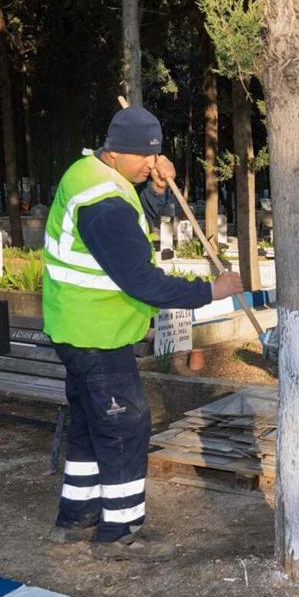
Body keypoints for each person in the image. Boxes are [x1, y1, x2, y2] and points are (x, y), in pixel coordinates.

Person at [42, 106, 243, 561]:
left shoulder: (92, 174)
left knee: (91, 426)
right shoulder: (103, 203)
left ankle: (77, 516)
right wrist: (212, 289)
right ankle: (120, 529)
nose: (151, 166)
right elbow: (141, 279)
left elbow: (132, 225)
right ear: (115, 151)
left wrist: (154, 191)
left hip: (76, 326)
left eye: (156, 159)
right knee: (125, 425)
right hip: (97, 333)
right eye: (144, 160)